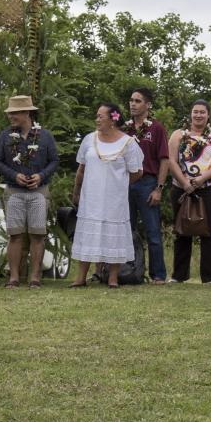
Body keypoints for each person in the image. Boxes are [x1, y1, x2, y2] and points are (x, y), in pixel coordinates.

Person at [70, 103, 145, 288]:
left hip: (115, 201)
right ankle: (80, 278)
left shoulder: (128, 143)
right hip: (91, 199)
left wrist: (119, 184)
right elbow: (81, 169)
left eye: (100, 116)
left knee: (114, 236)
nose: (97, 120)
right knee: (88, 235)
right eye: (96, 116)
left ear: (112, 120)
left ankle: (112, 278)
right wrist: (77, 191)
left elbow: (137, 171)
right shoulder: (89, 139)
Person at [0, 95, 59, 289]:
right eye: (10, 113)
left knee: (38, 234)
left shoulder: (44, 136)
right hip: (14, 190)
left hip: (39, 190)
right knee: (15, 235)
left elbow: (54, 161)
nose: (11, 116)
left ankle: (35, 278)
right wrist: (14, 175)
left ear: (26, 113)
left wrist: (41, 175)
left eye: (15, 113)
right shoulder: (5, 136)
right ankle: (13, 277)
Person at [168, 100, 211, 284]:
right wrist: (185, 183)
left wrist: (201, 179)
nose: (198, 115)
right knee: (181, 230)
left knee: (209, 231)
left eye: (202, 112)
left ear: (208, 115)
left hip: (210, 189)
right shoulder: (179, 135)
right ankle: (179, 275)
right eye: (195, 112)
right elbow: (171, 161)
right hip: (181, 188)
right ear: (190, 114)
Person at [125, 88, 170, 284]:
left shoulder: (156, 129)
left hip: (148, 182)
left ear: (148, 105)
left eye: (138, 101)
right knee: (126, 229)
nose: (133, 104)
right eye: (131, 101)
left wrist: (159, 188)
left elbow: (164, 160)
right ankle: (128, 271)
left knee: (152, 231)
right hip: (125, 182)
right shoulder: (124, 128)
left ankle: (158, 275)